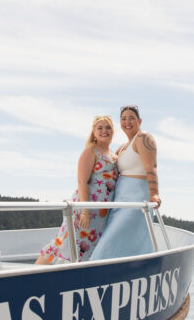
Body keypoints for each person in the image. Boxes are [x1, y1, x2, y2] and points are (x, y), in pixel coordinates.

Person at [35, 116, 118, 264]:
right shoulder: (91, 151)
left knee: (86, 247)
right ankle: (33, 272)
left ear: (113, 131)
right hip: (85, 208)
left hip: (100, 214)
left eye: (108, 127)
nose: (104, 131)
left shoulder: (114, 155)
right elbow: (81, 181)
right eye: (100, 128)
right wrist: (85, 210)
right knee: (65, 241)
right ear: (93, 132)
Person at [89, 105, 160, 261]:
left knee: (112, 240)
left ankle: (95, 269)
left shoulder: (143, 138)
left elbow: (151, 167)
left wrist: (154, 194)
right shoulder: (122, 148)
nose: (127, 121)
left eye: (131, 118)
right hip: (119, 202)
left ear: (139, 121)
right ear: (120, 123)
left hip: (136, 200)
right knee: (112, 239)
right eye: (123, 118)